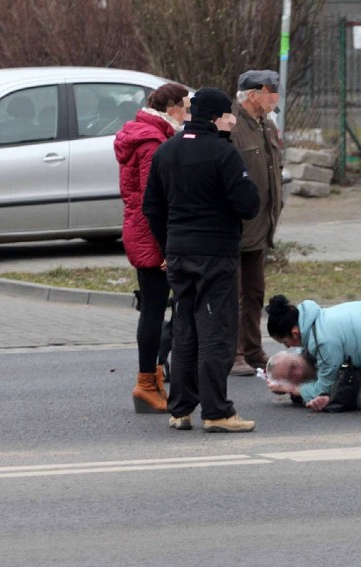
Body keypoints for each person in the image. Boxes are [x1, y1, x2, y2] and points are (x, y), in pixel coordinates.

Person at [143, 87, 260, 433]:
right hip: (215, 255)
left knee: (185, 330)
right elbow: (248, 205)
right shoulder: (223, 154)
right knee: (217, 333)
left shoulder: (166, 151)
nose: (233, 119)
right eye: (228, 114)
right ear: (214, 117)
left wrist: (167, 245)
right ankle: (217, 411)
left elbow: (151, 206)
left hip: (179, 253)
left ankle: (180, 409)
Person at [114, 83, 190, 414]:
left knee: (155, 308)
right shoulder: (152, 142)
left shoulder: (146, 134)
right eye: (185, 108)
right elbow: (153, 199)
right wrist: (164, 248)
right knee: (155, 310)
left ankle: (153, 379)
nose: (187, 114)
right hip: (151, 238)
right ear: (171, 108)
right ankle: (147, 383)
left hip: (143, 234)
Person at [229, 70, 284, 376]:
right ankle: (233, 352)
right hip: (236, 227)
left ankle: (252, 349)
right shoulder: (231, 126)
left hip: (261, 226)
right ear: (252, 95)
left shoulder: (266, 124)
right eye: (270, 92)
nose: (274, 99)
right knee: (232, 294)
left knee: (254, 293)